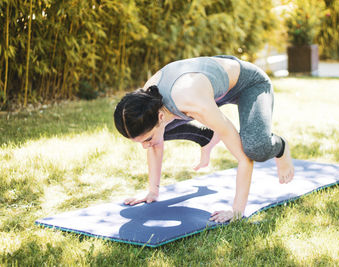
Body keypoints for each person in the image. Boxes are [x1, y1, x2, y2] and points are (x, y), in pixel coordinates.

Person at [114, 55, 294, 223]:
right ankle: (206, 137)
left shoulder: (192, 102)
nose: (145, 147)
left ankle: (280, 147)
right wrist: (152, 192)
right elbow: (154, 144)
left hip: (249, 83)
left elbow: (243, 159)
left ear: (161, 117)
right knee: (156, 137)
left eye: (146, 139)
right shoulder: (147, 101)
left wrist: (237, 211)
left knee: (255, 148)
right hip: (212, 86)